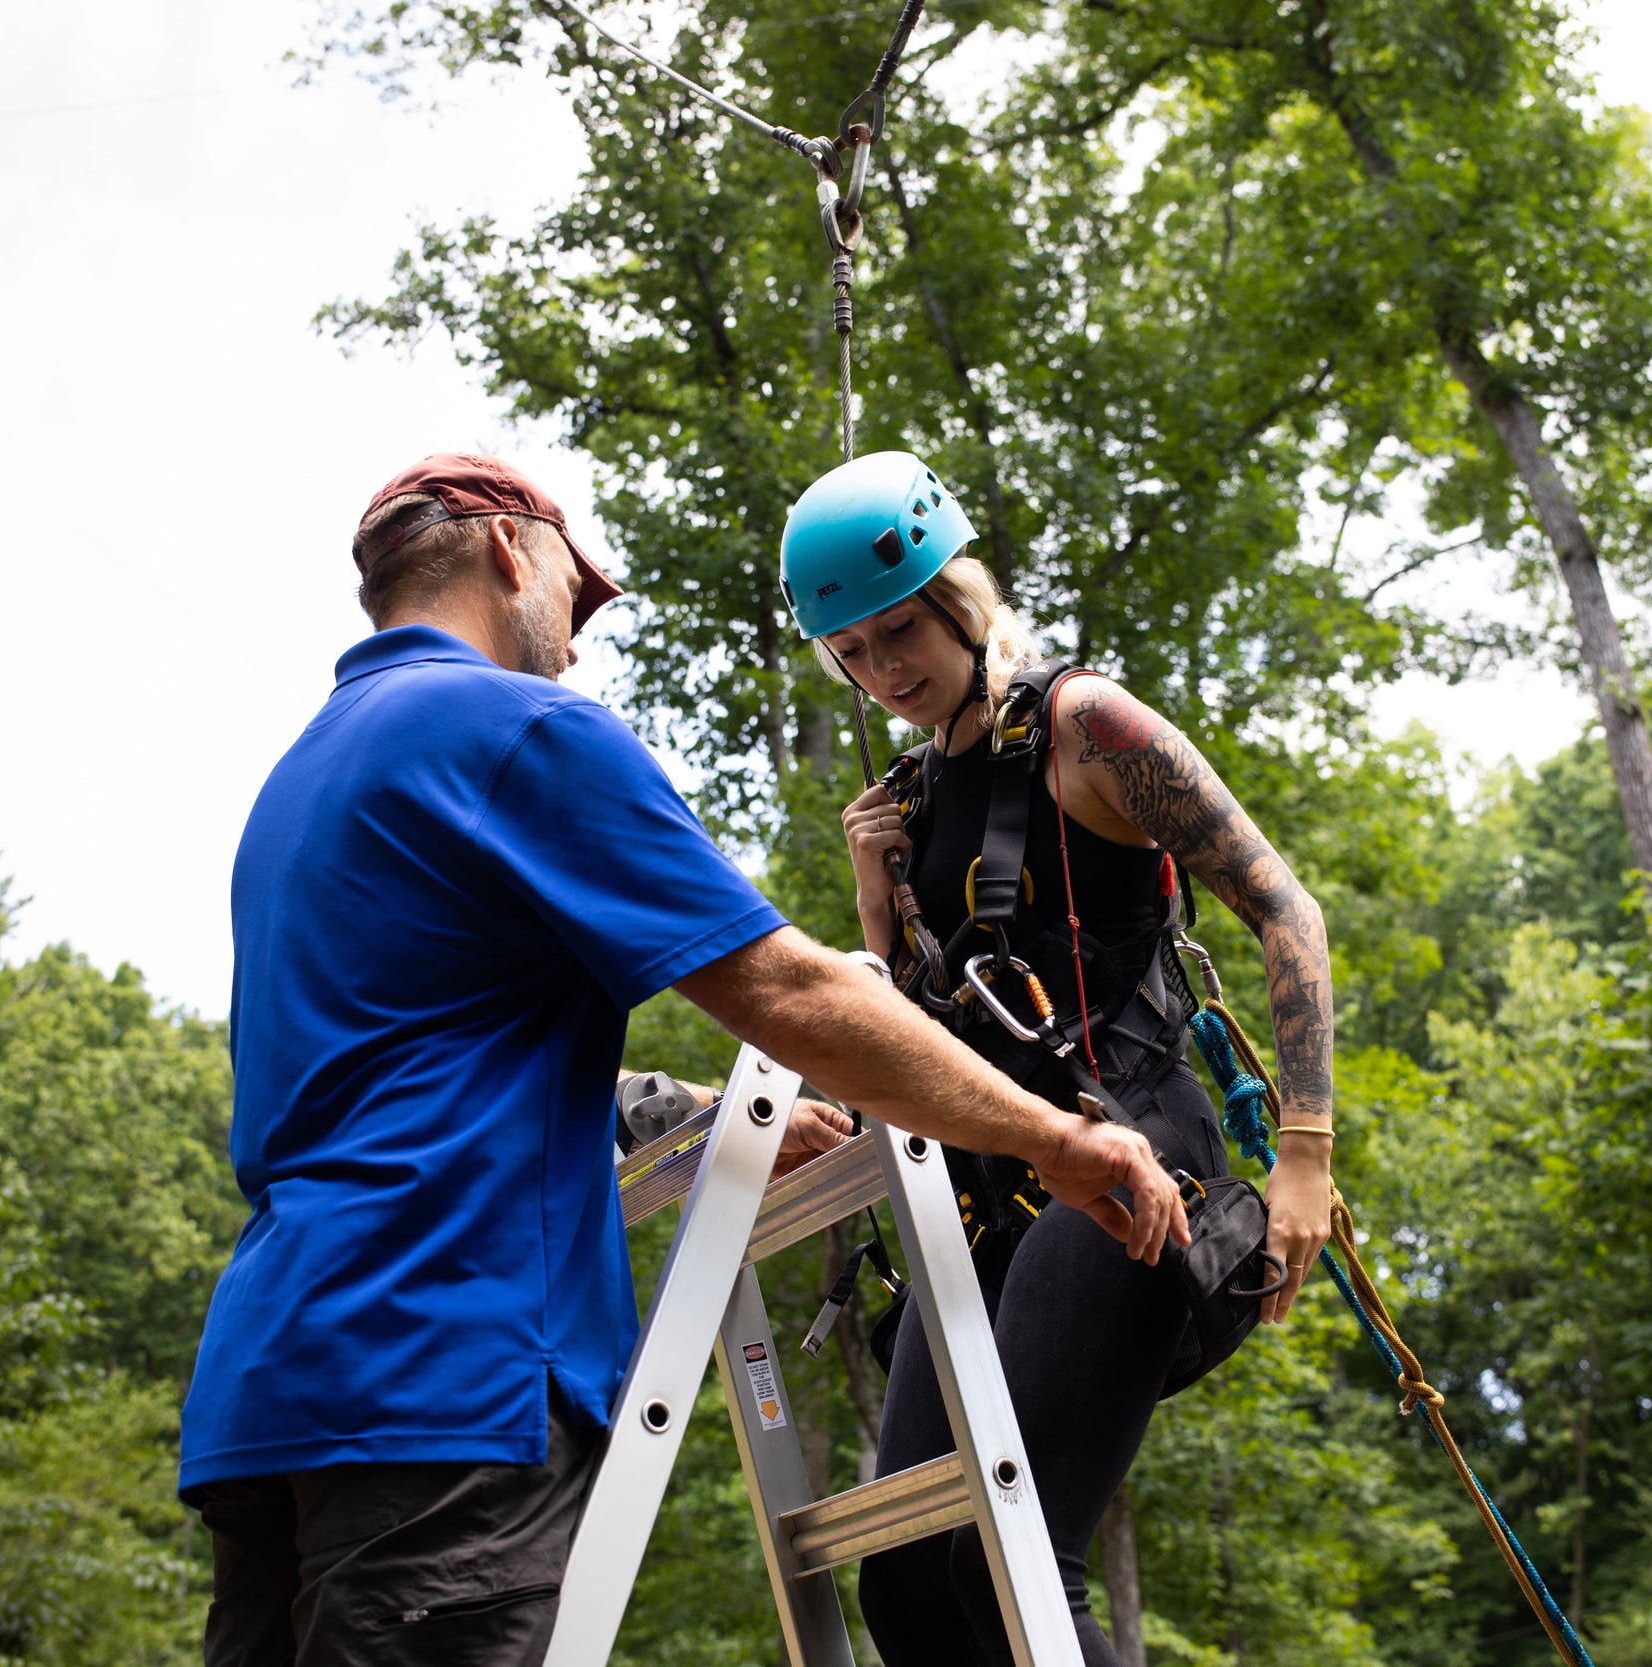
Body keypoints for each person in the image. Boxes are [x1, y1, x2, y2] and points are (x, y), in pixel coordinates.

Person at [178, 452, 1189, 1667]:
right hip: (443, 1365)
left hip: (268, 1386)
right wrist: (1052, 1136)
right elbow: (787, 989)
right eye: (575, 594)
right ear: (513, 551)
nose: (576, 640)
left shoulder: (300, 783)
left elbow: (410, 1061)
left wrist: (700, 1110)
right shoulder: (519, 727)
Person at [779, 450, 1339, 1667]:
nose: (884, 672)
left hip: (1129, 1164)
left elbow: (1284, 906)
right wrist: (876, 900)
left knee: (1013, 1557)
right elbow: (918, 1029)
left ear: (960, 599)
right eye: (854, 657)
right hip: (986, 1201)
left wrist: (1302, 1152)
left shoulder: (1087, 725)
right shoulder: (910, 795)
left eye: (898, 632)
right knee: (910, 1596)